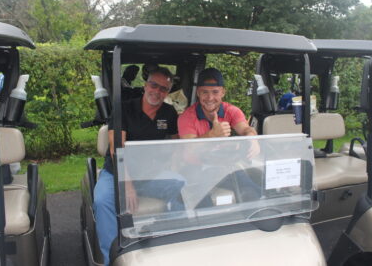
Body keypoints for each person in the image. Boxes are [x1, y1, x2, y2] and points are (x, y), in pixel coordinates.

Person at [93, 66, 182, 266]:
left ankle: (168, 247)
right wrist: (128, 184)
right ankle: (112, 259)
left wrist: (174, 165)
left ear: (168, 92)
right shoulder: (124, 108)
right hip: (117, 173)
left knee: (182, 185)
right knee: (102, 201)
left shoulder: (169, 113)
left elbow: (176, 143)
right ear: (145, 85)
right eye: (154, 85)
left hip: (150, 175)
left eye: (163, 89)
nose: (157, 91)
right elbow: (118, 148)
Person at [178, 68, 261, 203]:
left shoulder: (231, 111)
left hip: (223, 167)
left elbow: (246, 129)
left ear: (223, 92)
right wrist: (212, 135)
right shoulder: (187, 117)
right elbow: (190, 147)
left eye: (215, 92)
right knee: (202, 201)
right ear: (198, 93)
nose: (210, 98)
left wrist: (253, 139)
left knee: (251, 189)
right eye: (205, 92)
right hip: (195, 169)